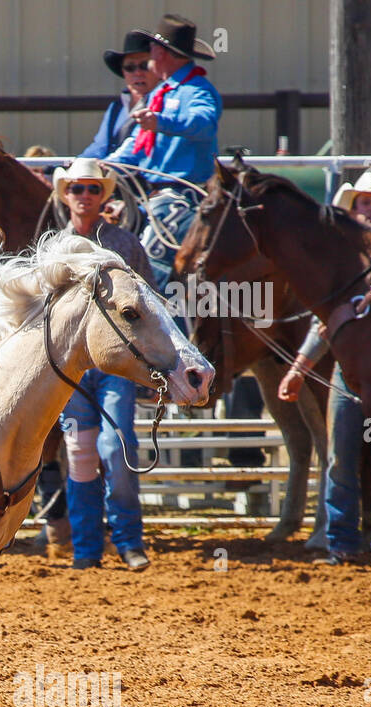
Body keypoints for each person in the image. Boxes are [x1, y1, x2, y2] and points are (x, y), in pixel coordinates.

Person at [278, 168, 371, 572]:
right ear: (353, 208)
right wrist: (300, 367)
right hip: (351, 374)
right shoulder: (344, 259)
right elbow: (325, 322)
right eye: (365, 202)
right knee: (341, 458)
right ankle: (344, 541)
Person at [51, 159, 156, 571]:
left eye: (93, 189)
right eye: (77, 188)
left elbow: (150, 304)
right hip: (72, 369)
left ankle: (125, 541)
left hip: (115, 365)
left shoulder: (126, 244)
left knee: (116, 449)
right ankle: (89, 548)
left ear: (104, 195)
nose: (85, 196)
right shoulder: (56, 247)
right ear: (67, 194)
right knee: (80, 453)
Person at [105, 14, 220, 292]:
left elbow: (205, 123)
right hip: (155, 201)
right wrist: (95, 167)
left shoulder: (196, 91)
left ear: (160, 52)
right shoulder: (164, 95)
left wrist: (162, 123)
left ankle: (164, 327)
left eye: (153, 49)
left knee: (149, 269)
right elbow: (132, 149)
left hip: (181, 200)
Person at [80, 33, 155, 160]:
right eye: (130, 67)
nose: (138, 73)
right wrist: (76, 165)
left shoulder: (161, 103)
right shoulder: (115, 107)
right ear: (123, 71)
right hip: (112, 174)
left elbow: (137, 151)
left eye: (144, 65)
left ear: (156, 68)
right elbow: (99, 148)